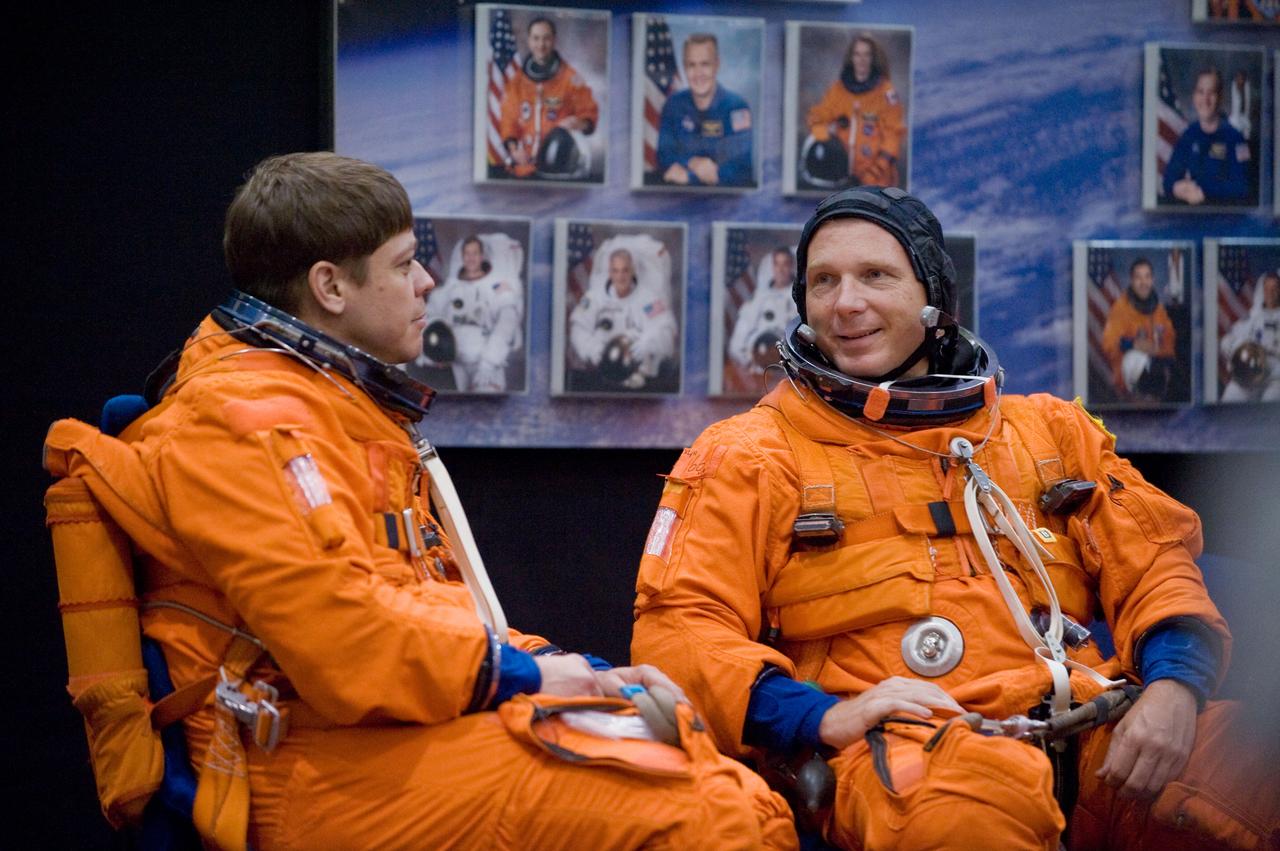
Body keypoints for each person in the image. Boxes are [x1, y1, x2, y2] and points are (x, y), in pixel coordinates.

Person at [43, 153, 795, 850]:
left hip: (370, 727)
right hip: (293, 761)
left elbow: (424, 607)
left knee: (719, 771)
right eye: (405, 264)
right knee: (715, 815)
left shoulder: (330, 408)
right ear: (331, 287)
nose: (429, 281)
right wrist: (532, 678)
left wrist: (578, 668)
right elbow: (344, 641)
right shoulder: (240, 424)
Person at [632, 186, 1278, 849]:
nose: (845, 302)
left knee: (1257, 773)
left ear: (934, 296)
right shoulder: (749, 455)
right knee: (965, 817)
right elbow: (680, 631)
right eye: (822, 281)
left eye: (875, 276)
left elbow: (1155, 562)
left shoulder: (1048, 433)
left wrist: (1176, 686)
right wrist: (824, 715)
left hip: (1093, 726)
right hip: (912, 753)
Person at [417, 234, 523, 393]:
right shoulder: (449, 289)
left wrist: (489, 362)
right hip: (453, 364)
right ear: (462, 256)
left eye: (475, 253)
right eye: (467, 254)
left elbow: (506, 327)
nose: (471, 258)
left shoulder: (497, 289)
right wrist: (434, 352)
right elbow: (429, 320)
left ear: (482, 256)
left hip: (485, 364)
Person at [499, 17, 599, 179]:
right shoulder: (516, 81)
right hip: (522, 168)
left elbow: (589, 112)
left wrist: (577, 123)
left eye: (546, 38)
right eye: (536, 38)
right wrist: (514, 149)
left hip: (556, 168)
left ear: (554, 40)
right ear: (529, 41)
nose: (541, 45)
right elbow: (508, 120)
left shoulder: (571, 79)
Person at [569, 245, 678, 391]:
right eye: (616, 271)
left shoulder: (648, 300)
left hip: (639, 378)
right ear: (610, 272)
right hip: (601, 376)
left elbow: (666, 329)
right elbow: (578, 328)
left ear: (632, 271)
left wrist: (649, 343)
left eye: (625, 270)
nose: (620, 277)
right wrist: (591, 348)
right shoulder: (594, 298)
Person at [805, 33, 905, 188]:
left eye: (867, 55)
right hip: (842, 177)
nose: (862, 60)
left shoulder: (885, 93)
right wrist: (824, 138)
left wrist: (875, 172)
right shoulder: (838, 90)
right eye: (857, 54)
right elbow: (817, 116)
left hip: (876, 179)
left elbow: (893, 136)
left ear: (874, 58)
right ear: (851, 58)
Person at [655, 33, 753, 188]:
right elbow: (664, 154)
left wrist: (690, 178)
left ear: (717, 65)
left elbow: (741, 170)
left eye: (705, 64)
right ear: (684, 67)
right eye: (691, 65)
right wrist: (693, 162)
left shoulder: (736, 107)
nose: (698, 73)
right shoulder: (673, 104)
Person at [1162, 66, 1251, 206]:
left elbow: (1243, 187)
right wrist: (1177, 188)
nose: (1205, 99)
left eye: (1212, 93)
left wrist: (1204, 191)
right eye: (1200, 92)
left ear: (1220, 97)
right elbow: (1168, 180)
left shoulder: (1235, 138)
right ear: (1194, 96)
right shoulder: (1189, 135)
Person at [1100, 258, 1177, 402]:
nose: (1143, 283)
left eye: (1147, 277)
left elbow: (1169, 344)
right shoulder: (1121, 309)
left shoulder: (1159, 310)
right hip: (1127, 389)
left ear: (1152, 280)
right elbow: (1108, 344)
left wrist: (1156, 350)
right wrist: (1133, 344)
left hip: (1156, 381)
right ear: (1131, 280)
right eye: (1138, 277)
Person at [728, 247, 796, 375]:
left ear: (791, 267)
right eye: (777, 264)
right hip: (760, 372)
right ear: (772, 268)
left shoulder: (799, 301)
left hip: (789, 372)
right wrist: (753, 361)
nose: (780, 270)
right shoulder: (758, 300)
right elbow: (737, 344)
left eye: (785, 264)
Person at [1220, 270, 1280, 403]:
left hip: (1275, 379)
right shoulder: (1253, 318)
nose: (1270, 293)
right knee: (1230, 398)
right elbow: (1227, 341)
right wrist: (1237, 348)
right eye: (1267, 289)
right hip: (1248, 374)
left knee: (1270, 404)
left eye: (1274, 289)